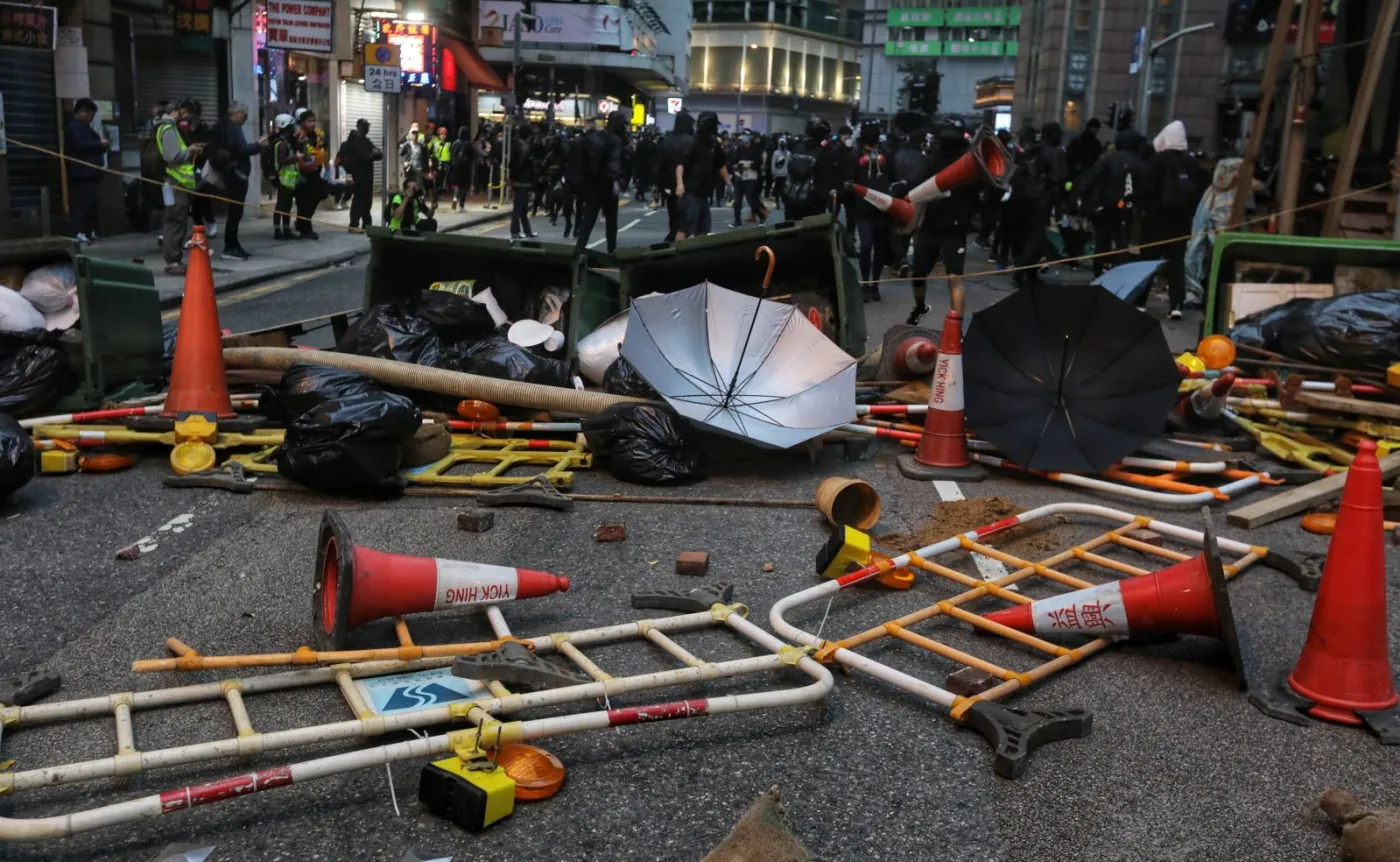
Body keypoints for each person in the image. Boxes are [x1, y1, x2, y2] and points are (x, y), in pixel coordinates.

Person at [905, 124, 979, 322]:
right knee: (931, 276)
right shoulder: (938, 162)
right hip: (941, 226)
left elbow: (915, 180)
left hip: (950, 227)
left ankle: (952, 324)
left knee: (950, 277)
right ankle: (923, 308)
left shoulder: (963, 164)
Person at [1142, 120, 1201, 319]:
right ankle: (1176, 305)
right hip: (1181, 222)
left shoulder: (1157, 160)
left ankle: (1141, 302)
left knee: (1148, 261)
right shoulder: (1191, 162)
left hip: (1156, 221)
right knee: (1176, 263)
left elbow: (1147, 188)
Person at [1081, 128, 1147, 277]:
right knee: (1122, 243)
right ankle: (1121, 275)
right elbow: (1143, 187)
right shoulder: (1139, 163)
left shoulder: (1108, 159)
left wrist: (1085, 197)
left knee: (1101, 241)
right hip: (1126, 208)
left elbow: (1093, 178)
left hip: (1106, 206)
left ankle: (1098, 272)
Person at [205, 101, 265, 260]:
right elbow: (242, 150)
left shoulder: (225, 126)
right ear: (235, 113)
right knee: (235, 213)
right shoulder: (233, 128)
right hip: (236, 175)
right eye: (244, 114)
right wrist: (259, 146)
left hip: (231, 174)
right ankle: (230, 247)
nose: (246, 118)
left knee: (235, 213)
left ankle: (234, 245)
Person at [1013, 121, 1067, 288]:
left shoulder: (1034, 149)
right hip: (1043, 200)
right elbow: (1058, 177)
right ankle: (1021, 273)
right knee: (1035, 238)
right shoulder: (1053, 152)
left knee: (1032, 236)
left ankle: (1029, 273)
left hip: (1026, 198)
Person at [155, 99, 202, 275]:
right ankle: (172, 261)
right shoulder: (168, 129)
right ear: (178, 112)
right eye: (184, 113)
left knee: (178, 221)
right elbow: (172, 157)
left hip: (178, 182)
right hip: (176, 183)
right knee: (175, 222)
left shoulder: (170, 128)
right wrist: (190, 151)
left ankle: (174, 259)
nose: (185, 118)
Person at [850, 120, 893, 302]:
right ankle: (865, 283)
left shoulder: (886, 154)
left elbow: (893, 177)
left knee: (880, 249)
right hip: (864, 210)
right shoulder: (855, 156)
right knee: (866, 246)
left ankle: (874, 284)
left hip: (883, 209)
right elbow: (851, 180)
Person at [574, 112, 628, 252]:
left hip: (592, 184)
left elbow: (582, 161)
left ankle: (579, 249)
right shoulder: (616, 140)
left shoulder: (593, 137)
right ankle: (611, 252)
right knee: (611, 221)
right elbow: (615, 162)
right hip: (608, 185)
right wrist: (616, 182)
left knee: (588, 219)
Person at [675, 111, 729, 241]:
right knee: (686, 227)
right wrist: (680, 184)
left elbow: (720, 164)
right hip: (691, 191)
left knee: (703, 228)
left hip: (704, 192)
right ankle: (676, 251)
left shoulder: (714, 144)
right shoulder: (692, 142)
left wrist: (728, 182)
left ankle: (697, 251)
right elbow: (681, 164)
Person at [64, 98, 108, 244]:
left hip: (90, 173)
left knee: (91, 204)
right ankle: (79, 231)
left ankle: (89, 231)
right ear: (82, 112)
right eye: (90, 115)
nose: (91, 118)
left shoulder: (85, 127)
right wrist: (99, 144)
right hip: (82, 173)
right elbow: (80, 145)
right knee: (82, 203)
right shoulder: (73, 127)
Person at [338, 118, 382, 231]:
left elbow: (378, 154)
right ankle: (354, 224)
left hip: (367, 176)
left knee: (367, 201)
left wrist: (372, 156)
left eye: (367, 126)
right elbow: (360, 157)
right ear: (359, 127)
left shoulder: (367, 142)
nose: (366, 129)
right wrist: (370, 156)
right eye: (364, 126)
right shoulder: (352, 142)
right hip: (358, 175)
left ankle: (366, 224)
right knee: (359, 200)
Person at [660, 110, 696, 241]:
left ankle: (672, 235)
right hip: (688, 184)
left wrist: (659, 184)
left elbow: (660, 163)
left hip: (669, 184)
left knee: (673, 214)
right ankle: (679, 238)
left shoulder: (667, 140)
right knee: (686, 217)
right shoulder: (692, 141)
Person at [290, 110, 324, 239]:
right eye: (309, 121)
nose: (312, 123)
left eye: (313, 120)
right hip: (301, 172)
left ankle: (302, 223)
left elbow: (322, 149)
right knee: (303, 201)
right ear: (302, 123)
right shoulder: (298, 136)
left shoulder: (318, 134)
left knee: (316, 196)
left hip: (315, 170)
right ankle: (305, 228)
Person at [507, 121, 538, 240]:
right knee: (519, 208)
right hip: (522, 181)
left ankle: (527, 231)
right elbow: (525, 166)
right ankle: (515, 232)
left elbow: (512, 164)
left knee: (523, 208)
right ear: (528, 135)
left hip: (520, 181)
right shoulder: (525, 148)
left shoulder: (518, 145)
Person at [730, 130, 767, 227]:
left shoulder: (755, 149)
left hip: (751, 177)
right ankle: (737, 221)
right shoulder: (739, 149)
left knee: (750, 198)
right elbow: (734, 161)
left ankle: (761, 215)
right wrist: (737, 166)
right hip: (740, 176)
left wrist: (750, 165)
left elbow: (759, 164)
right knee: (737, 200)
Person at [449, 126, 472, 211]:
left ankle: (454, 202)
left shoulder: (454, 143)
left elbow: (451, 155)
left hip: (455, 168)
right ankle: (461, 205)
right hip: (465, 169)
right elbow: (472, 156)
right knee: (464, 187)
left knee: (458, 186)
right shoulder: (468, 144)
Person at [769, 136, 789, 217]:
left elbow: (789, 164)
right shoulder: (776, 153)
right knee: (778, 190)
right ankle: (778, 203)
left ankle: (783, 203)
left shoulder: (788, 153)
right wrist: (773, 173)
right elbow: (773, 163)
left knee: (783, 190)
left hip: (785, 174)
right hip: (778, 175)